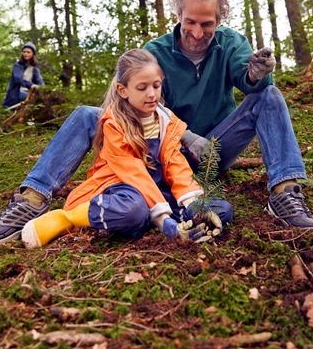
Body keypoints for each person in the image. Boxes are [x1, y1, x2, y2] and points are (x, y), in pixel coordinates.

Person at [0, 0, 313, 245]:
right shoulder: (158, 51)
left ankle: (285, 194)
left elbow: (248, 80)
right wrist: (184, 135)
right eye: (190, 23)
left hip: (214, 148)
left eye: (208, 24)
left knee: (271, 96)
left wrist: (257, 73)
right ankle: (31, 199)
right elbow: (129, 103)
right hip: (163, 148)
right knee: (89, 114)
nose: (198, 33)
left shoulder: (230, 43)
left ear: (220, 19)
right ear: (178, 14)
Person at [21, 49, 230, 248]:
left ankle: (177, 223)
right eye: (142, 88)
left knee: (221, 210)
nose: (151, 94)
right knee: (133, 211)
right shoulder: (115, 123)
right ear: (123, 90)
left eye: (156, 86)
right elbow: (133, 172)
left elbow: (175, 163)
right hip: (122, 188)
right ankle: (67, 218)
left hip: (158, 192)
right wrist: (163, 219)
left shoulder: (167, 121)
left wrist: (192, 202)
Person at [2, 42, 44, 108]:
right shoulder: (18, 65)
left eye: (28, 52)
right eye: (24, 52)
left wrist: (44, 89)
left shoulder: (34, 68)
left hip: (28, 93)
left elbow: (40, 81)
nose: (25, 54)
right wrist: (31, 85)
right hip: (15, 95)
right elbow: (18, 79)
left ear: (33, 54)